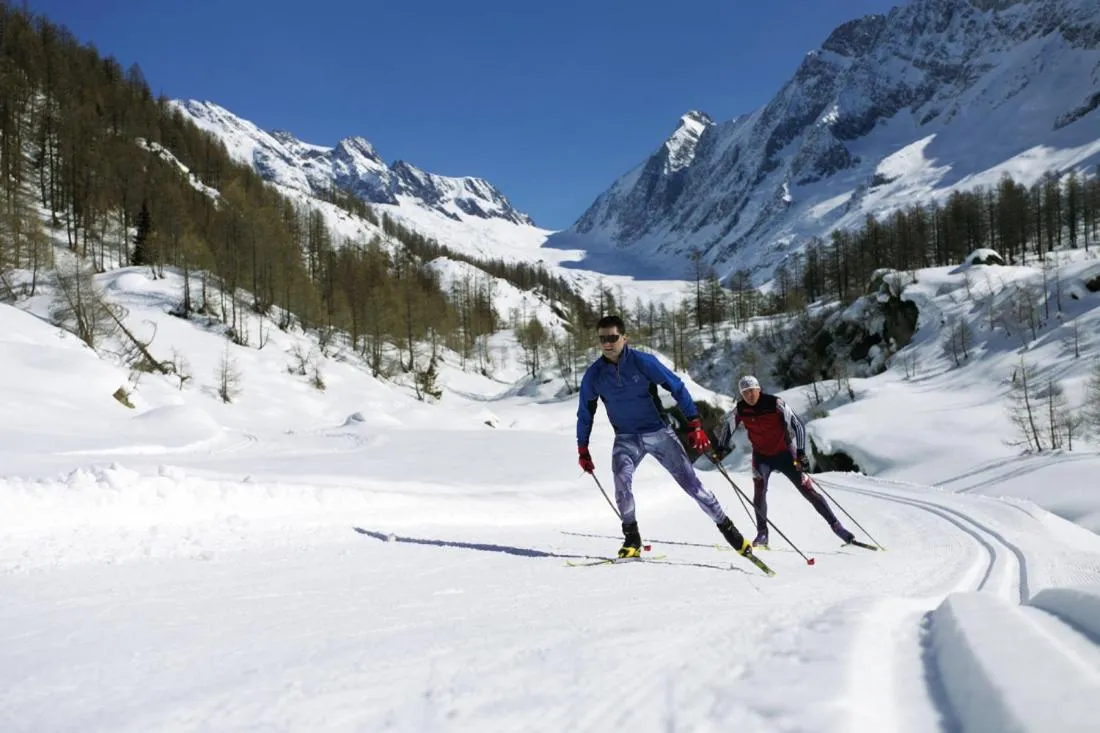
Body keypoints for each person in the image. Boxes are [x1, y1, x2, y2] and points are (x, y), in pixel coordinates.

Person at [576, 315, 754, 559]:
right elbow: (585, 412)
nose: (607, 343)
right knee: (621, 484)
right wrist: (582, 448)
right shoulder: (594, 375)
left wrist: (694, 423)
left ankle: (729, 529)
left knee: (692, 485)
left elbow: (677, 386)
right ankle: (632, 539)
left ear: (624, 338)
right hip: (626, 439)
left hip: (659, 433)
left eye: (612, 338)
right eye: (602, 339)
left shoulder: (642, 361)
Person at [717, 375, 855, 548]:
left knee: (807, 490)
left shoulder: (775, 403)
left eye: (751, 391)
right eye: (745, 393)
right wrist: (720, 448)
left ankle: (837, 527)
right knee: (759, 495)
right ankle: (762, 534)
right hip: (761, 457)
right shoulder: (741, 409)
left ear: (758, 389)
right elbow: (728, 428)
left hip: (785, 454)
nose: (749, 396)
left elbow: (798, 425)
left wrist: (801, 453)